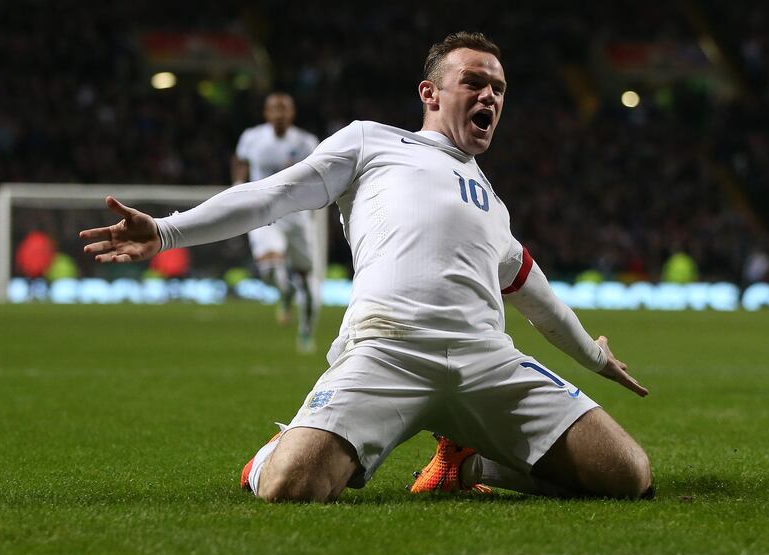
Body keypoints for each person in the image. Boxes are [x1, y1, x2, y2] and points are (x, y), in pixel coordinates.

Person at [80, 31, 652, 503]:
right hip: (388, 349)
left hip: (487, 360)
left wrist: (596, 358)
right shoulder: (371, 143)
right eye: (474, 83)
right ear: (430, 92)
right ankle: (271, 455)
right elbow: (270, 195)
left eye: (499, 89)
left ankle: (470, 464)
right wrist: (166, 230)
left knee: (628, 475)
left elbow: (536, 296)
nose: (490, 97)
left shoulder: (493, 204)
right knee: (290, 487)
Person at [231, 92, 320, 353]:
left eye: (285, 110)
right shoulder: (252, 137)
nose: (279, 114)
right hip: (264, 212)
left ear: (292, 114)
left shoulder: (306, 142)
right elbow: (240, 161)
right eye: (274, 109)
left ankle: (305, 331)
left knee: (306, 279)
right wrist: (238, 184)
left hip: (296, 215)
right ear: (266, 113)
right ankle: (285, 291)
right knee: (269, 269)